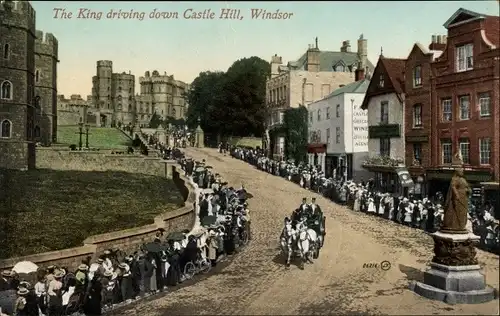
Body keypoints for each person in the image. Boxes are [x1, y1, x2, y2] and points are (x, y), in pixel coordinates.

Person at [441, 153, 471, 234]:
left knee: (463, 212)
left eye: (462, 170)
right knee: (457, 211)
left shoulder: (463, 180)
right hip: (458, 199)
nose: (462, 171)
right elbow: (453, 187)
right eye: (461, 170)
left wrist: (468, 190)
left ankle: (461, 225)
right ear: (457, 171)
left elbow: (468, 187)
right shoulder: (455, 179)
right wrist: (456, 195)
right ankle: (455, 225)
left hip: (463, 198)